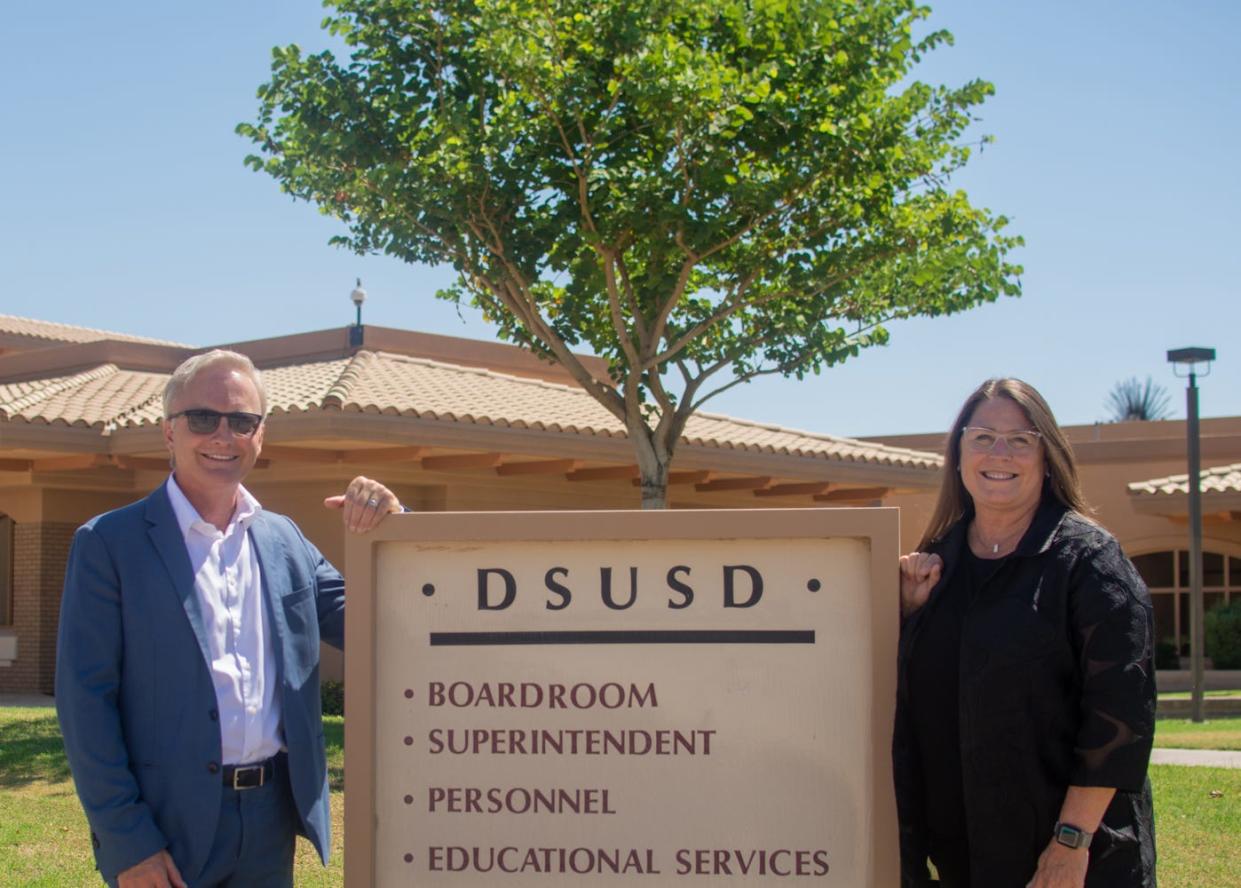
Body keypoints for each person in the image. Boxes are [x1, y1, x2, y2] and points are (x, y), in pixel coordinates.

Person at [55, 349, 403, 887]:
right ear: (169, 431)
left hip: (270, 820)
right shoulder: (109, 544)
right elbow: (85, 703)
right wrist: (128, 842)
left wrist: (393, 532)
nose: (224, 435)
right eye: (202, 418)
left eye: (242, 421)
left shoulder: (284, 539)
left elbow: (379, 623)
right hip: (164, 822)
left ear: (261, 435)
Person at [894, 378, 1156, 888]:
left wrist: (1070, 842)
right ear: (959, 452)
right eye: (983, 437)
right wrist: (905, 618)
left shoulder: (1091, 564)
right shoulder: (936, 569)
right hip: (961, 855)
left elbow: (1121, 717)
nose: (1000, 453)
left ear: (1046, 456)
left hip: (1069, 859)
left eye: (1020, 440)